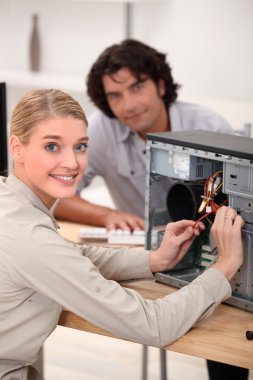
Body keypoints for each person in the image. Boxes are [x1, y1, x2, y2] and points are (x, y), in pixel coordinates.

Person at [0, 89, 245, 380]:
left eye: (80, 146)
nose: (72, 162)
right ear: (16, 148)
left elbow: (70, 255)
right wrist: (225, 265)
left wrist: (154, 260)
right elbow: (153, 326)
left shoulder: (11, 205)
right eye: (52, 146)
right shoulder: (30, 238)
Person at [54, 39, 249, 379]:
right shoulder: (103, 129)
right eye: (115, 96)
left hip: (214, 256)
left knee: (225, 337)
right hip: (150, 261)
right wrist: (106, 215)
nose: (128, 104)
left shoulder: (209, 126)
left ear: (160, 84)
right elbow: (58, 196)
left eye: (137, 87)